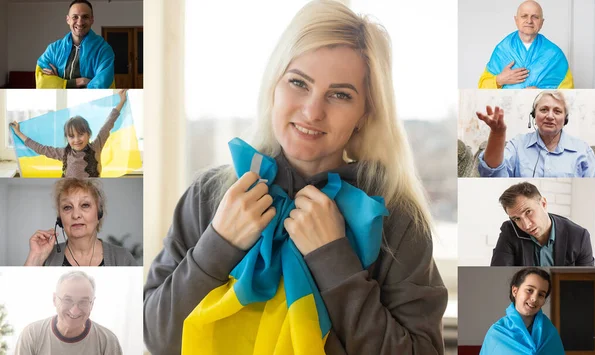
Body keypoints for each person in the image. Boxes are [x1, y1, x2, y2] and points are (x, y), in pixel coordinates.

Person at [143, 1, 447, 354]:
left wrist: (334, 261)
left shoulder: (394, 218)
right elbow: (157, 336)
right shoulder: (209, 195)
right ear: (274, 84)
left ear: (365, 113)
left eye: (339, 94)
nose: (312, 111)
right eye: (298, 83)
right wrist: (217, 245)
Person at [477, 90, 595, 177]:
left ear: (565, 119)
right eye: (544, 110)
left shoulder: (582, 150)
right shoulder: (518, 144)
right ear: (534, 115)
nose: (550, 116)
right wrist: (497, 134)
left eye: (557, 111)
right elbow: (492, 174)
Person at [9, 90, 128, 178]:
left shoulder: (96, 146)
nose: (76, 140)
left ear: (88, 134)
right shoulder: (64, 153)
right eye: (71, 136)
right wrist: (18, 133)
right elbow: (40, 148)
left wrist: (121, 101)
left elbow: (108, 123)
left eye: (80, 134)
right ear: (67, 138)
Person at [23, 178, 137, 266]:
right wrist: (35, 258)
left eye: (85, 205)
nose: (76, 215)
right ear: (60, 219)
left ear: (99, 213)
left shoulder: (123, 258)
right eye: (67, 207)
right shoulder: (47, 257)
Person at [14, 271, 123, 355]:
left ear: (92, 304)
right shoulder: (31, 335)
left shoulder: (107, 341)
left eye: (83, 302)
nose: (74, 310)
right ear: (54, 299)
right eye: (67, 300)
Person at [491, 182, 595, 266]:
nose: (526, 225)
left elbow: (587, 284)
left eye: (528, 212)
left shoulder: (579, 236)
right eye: (517, 219)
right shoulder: (509, 231)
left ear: (543, 204)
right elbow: (498, 278)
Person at [478, 1, 573, 89]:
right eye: (524, 16)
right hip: (508, 107)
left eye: (535, 17)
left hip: (541, 107)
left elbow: (569, 95)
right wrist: (499, 80)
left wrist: (542, 94)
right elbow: (482, 87)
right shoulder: (502, 50)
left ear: (542, 22)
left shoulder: (554, 54)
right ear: (516, 20)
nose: (529, 21)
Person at [480, 268, 565, 354]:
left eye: (541, 294)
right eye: (529, 290)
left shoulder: (550, 333)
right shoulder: (497, 332)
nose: (534, 298)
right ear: (515, 291)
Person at [36, 0, 115, 89]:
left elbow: (100, 88)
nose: (80, 22)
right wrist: (80, 82)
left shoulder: (103, 50)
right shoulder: (53, 49)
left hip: (89, 103)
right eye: (75, 17)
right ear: (68, 19)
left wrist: (58, 81)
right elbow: (43, 83)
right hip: (60, 102)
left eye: (85, 17)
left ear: (92, 20)